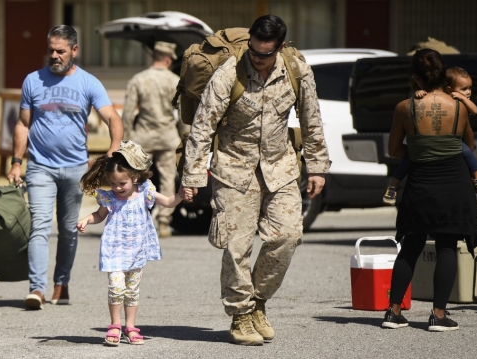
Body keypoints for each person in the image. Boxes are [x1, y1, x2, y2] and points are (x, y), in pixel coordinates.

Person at [180, 15, 330, 345]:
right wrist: (191, 176)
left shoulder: (296, 69)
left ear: (280, 48)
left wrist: (318, 167)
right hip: (234, 168)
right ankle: (240, 314)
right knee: (236, 245)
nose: (258, 60)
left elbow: (312, 117)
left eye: (265, 55)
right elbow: (203, 126)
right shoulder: (228, 73)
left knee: (288, 236)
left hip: (281, 167)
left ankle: (258, 302)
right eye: (254, 52)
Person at [7, 25, 123, 310]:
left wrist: (113, 148)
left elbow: (113, 118)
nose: (55, 56)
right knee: (40, 226)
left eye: (60, 51)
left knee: (69, 230)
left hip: (75, 169)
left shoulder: (88, 83)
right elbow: (22, 124)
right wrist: (16, 163)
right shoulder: (33, 81)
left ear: (74, 50)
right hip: (40, 167)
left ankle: (61, 283)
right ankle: (36, 288)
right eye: (51, 50)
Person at [382, 49, 477, 331]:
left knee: (410, 246)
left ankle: (394, 311)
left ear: (415, 76)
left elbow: (394, 150)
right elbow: (468, 147)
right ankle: (438, 315)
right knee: (447, 246)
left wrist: (420, 150)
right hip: (454, 184)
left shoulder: (405, 107)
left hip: (419, 184)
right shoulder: (459, 105)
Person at [76, 140, 186, 346]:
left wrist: (180, 194)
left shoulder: (145, 192)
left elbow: (169, 202)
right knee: (116, 288)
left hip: (137, 252)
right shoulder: (110, 198)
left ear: (134, 177)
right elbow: (99, 216)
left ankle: (131, 327)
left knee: (132, 291)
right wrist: (86, 220)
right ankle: (115, 325)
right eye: (113, 184)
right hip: (115, 251)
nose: (117, 188)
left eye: (122, 184)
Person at [383, 66, 477, 205]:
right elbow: (430, 97)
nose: (468, 92)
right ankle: (393, 186)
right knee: (409, 158)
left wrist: (462, 98)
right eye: (464, 89)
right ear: (449, 89)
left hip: (450, 142)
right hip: (429, 144)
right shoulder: (446, 99)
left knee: (468, 151)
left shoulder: (460, 101)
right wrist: (420, 92)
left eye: (470, 88)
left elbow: (474, 110)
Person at [122, 41, 185, 238]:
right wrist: (184, 137)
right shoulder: (175, 81)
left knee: (137, 178)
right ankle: (164, 221)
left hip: (143, 137)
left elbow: (127, 113)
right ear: (168, 59)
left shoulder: (138, 79)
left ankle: (136, 218)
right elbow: (183, 115)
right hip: (168, 137)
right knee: (168, 179)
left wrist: (126, 140)